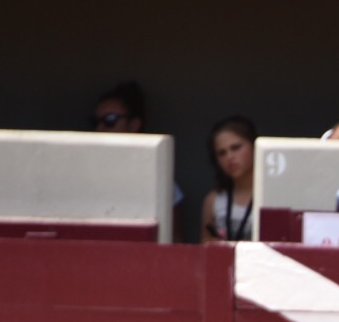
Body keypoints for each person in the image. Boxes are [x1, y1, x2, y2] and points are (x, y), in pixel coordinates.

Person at [94, 80, 184, 240]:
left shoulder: (158, 177)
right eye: (96, 122)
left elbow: (173, 239)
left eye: (110, 120)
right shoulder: (88, 173)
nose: (100, 128)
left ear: (134, 124)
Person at [200, 116, 256, 243]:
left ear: (254, 146)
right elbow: (204, 247)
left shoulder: (272, 197)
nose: (230, 157)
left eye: (236, 148)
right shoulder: (213, 200)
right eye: (222, 153)